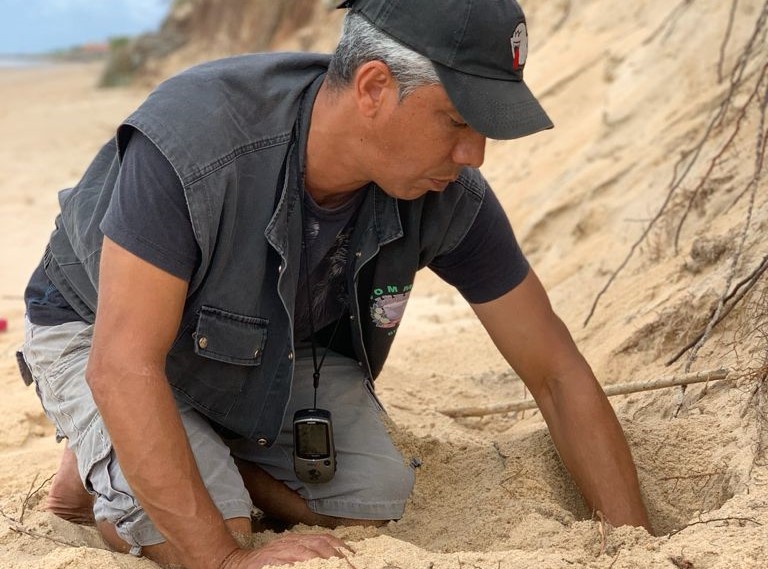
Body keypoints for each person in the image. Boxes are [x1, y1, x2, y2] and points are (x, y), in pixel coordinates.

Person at [19, 0, 651, 567]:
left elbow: (557, 373)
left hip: (258, 349)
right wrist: (227, 560)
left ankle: (192, 448)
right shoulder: (197, 142)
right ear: (375, 87)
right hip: (101, 331)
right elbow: (124, 365)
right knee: (216, 528)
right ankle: (104, 461)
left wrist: (635, 545)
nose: (475, 155)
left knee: (373, 499)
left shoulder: (447, 194)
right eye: (458, 121)